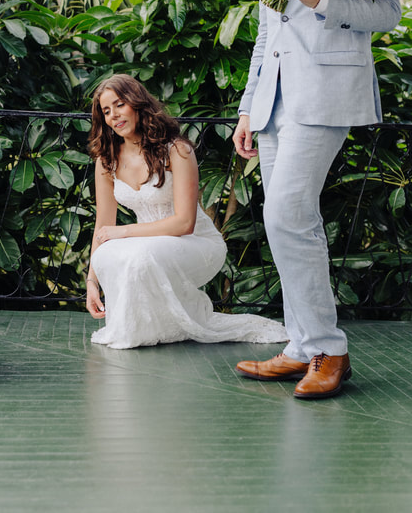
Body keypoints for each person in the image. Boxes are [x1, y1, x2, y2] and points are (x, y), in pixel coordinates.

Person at [232, 0, 401, 399]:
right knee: (287, 223)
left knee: (286, 216)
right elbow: (265, 34)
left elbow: (388, 13)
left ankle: (330, 348)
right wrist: (248, 108)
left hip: (325, 95)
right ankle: (303, 347)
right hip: (275, 102)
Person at [84, 74, 288, 349]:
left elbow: (184, 223)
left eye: (119, 105)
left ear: (136, 103)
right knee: (111, 252)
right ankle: (143, 329)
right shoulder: (106, 160)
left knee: (139, 254)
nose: (113, 116)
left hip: (195, 244)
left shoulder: (176, 150)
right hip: (145, 247)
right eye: (106, 111)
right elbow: (103, 226)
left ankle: (166, 325)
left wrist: (123, 232)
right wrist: (92, 282)